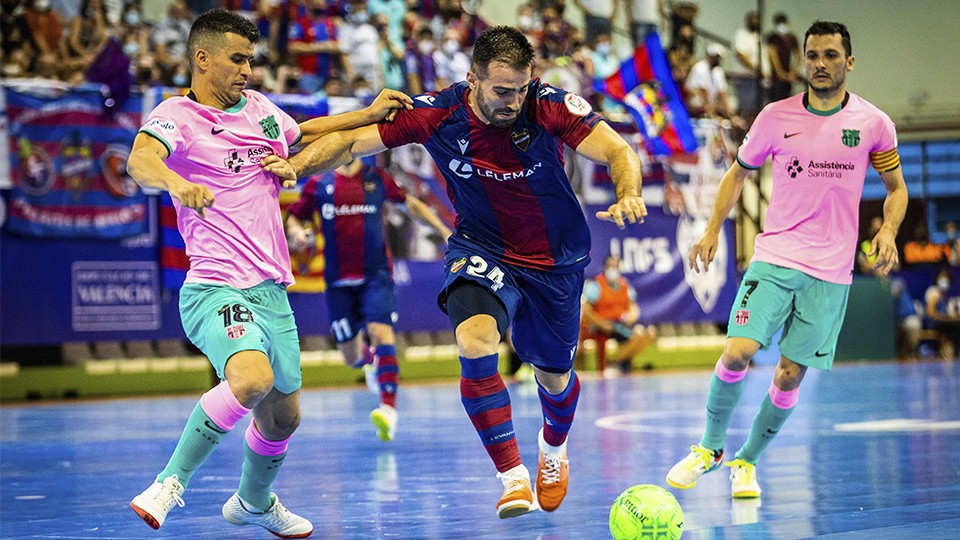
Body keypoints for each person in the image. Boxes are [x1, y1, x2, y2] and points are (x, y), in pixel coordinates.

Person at [263, 25, 647, 519]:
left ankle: (553, 449)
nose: (513, 101)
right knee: (475, 342)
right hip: (481, 246)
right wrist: (297, 168)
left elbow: (618, 151)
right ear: (472, 80)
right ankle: (511, 477)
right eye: (501, 91)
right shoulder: (438, 113)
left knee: (554, 377)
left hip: (556, 258)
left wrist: (629, 191)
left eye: (521, 89)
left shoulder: (548, 105)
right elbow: (351, 144)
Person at [124, 9, 411, 536]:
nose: (247, 70)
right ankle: (168, 483)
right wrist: (173, 182)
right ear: (202, 59)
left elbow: (305, 131)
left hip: (270, 290)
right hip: (214, 284)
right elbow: (139, 160)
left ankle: (254, 503)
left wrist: (365, 112)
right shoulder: (176, 116)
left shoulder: (257, 108)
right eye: (237, 59)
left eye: (251, 61)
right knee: (251, 380)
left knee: (283, 417)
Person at [666, 21, 908, 500]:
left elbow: (896, 189)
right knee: (737, 351)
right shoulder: (775, 117)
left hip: (831, 271)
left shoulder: (874, 123)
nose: (820, 64)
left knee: (790, 374)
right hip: (775, 256)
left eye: (831, 55)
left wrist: (889, 230)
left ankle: (746, 461)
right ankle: (710, 448)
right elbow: (738, 174)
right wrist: (713, 228)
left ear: (849, 62)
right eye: (813, 55)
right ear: (802, 61)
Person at [284, 158, 452, 442]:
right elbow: (294, 217)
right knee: (351, 357)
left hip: (376, 276)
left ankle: (388, 409)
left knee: (380, 331)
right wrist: (297, 232)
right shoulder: (319, 184)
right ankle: (372, 360)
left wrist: (445, 232)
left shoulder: (378, 180)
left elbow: (411, 205)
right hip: (338, 282)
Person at [580, 255, 657, 376]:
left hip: (621, 323)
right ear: (605, 267)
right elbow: (587, 311)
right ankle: (615, 364)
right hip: (603, 325)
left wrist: (631, 316)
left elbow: (633, 307)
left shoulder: (625, 285)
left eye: (616, 266)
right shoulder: (596, 285)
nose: (613, 269)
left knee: (650, 333)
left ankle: (618, 361)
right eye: (610, 266)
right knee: (638, 334)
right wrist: (602, 324)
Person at [923, 269, 960, 358]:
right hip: (933, 323)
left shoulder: (943, 294)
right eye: (942, 276)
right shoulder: (934, 291)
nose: (944, 279)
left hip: (941, 322)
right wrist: (946, 318)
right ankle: (955, 350)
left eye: (946, 277)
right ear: (937, 279)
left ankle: (952, 349)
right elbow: (930, 313)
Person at [766, 12, 801, 102]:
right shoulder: (772, 37)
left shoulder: (791, 37)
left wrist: (793, 71)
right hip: (774, 77)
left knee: (787, 99)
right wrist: (779, 71)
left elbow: (798, 54)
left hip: (788, 74)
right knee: (775, 99)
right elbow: (773, 55)